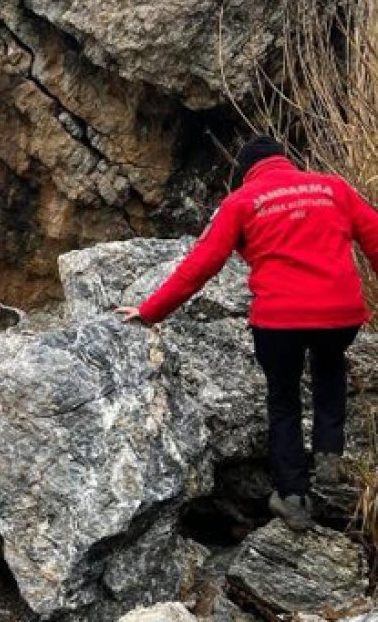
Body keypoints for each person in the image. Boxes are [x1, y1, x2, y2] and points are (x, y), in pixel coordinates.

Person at [115, 135, 378, 531]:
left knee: (284, 398)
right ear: (285, 161)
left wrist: (150, 311)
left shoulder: (241, 202)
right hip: (341, 312)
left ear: (246, 172)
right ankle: (329, 453)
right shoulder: (332, 187)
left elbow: (200, 266)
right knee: (330, 368)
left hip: (279, 319)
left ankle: (293, 498)